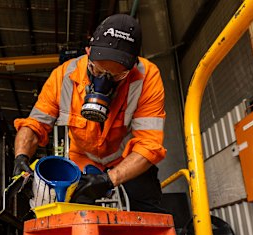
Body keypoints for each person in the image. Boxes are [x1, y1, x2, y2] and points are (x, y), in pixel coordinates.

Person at [13, 14, 167, 212]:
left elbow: (149, 144)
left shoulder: (147, 78)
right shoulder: (63, 77)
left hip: (127, 159)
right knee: (69, 214)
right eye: (97, 70)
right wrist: (21, 157)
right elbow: (35, 125)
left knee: (147, 213)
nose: (104, 80)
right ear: (88, 52)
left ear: (132, 65)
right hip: (81, 159)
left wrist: (110, 179)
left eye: (116, 76)